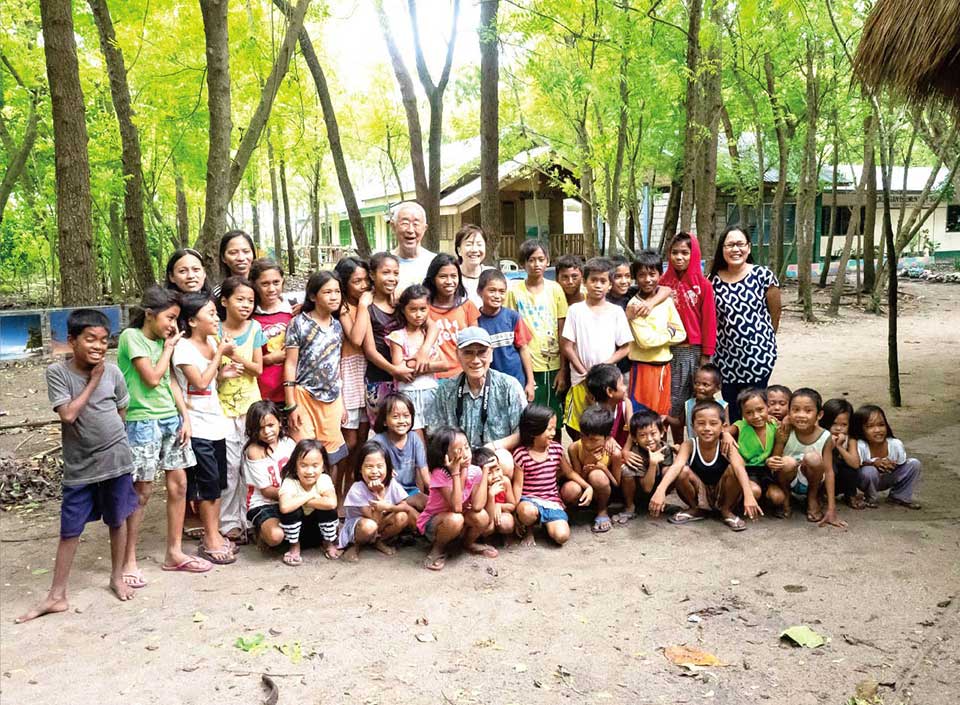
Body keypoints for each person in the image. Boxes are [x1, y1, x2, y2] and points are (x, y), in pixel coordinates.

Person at [16, 310, 140, 623]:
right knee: (70, 529)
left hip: (116, 461)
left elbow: (121, 410)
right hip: (81, 467)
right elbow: (68, 415)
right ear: (72, 341)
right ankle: (57, 595)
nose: (98, 346)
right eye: (89, 339)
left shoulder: (113, 372)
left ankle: (117, 576)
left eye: (103, 340)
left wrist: (113, 443)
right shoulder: (58, 373)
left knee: (118, 519)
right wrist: (92, 381)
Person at [118, 287, 209, 575]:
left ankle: (174, 551)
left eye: (176, 319)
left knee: (179, 485)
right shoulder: (132, 338)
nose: (173, 325)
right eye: (170, 318)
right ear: (149, 313)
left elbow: (170, 382)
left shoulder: (162, 341)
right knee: (142, 490)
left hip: (170, 419)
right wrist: (168, 348)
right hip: (141, 421)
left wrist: (185, 416)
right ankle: (128, 559)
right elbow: (153, 378)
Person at [173, 293, 236, 565]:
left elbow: (210, 383)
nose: (215, 318)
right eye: (209, 313)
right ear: (191, 321)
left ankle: (215, 533)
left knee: (218, 481)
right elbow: (198, 383)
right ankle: (210, 539)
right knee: (207, 484)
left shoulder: (211, 341)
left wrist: (223, 373)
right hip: (195, 425)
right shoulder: (183, 348)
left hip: (215, 421)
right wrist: (220, 355)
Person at [424, 327, 526, 475]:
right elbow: (434, 433)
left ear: (491, 354)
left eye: (481, 352)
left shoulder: (509, 386)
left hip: (494, 458)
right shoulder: (446, 390)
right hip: (457, 461)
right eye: (468, 353)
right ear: (457, 355)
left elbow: (522, 431)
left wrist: (491, 447)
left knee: (504, 459)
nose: (475, 360)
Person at [650, 400, 761, 531]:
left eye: (713, 423)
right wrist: (660, 490)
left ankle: (726, 510)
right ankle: (695, 509)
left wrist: (748, 496)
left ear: (723, 427)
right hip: (700, 492)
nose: (707, 428)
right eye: (701, 423)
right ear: (692, 426)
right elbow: (676, 466)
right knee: (682, 471)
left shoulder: (727, 445)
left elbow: (739, 468)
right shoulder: (689, 444)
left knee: (733, 469)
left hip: (724, 491)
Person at [283, 271, 350, 489]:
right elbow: (290, 363)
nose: (334, 297)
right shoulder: (298, 324)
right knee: (306, 453)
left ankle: (329, 504)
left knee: (332, 456)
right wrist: (291, 404)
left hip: (331, 399)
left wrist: (342, 403)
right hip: (303, 396)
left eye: (337, 292)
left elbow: (336, 365)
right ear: (313, 296)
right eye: (327, 292)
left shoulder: (338, 326)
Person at [709, 225, 782, 422]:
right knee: (733, 409)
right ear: (722, 249)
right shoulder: (712, 281)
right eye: (730, 245)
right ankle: (736, 450)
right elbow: (711, 319)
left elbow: (775, 312)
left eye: (740, 244)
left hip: (758, 357)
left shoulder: (763, 275)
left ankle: (760, 449)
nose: (735, 249)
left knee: (755, 408)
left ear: (748, 248)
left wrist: (764, 340)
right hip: (726, 360)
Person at [217, 276, 266, 542]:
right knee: (229, 465)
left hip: (250, 407)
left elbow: (258, 368)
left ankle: (251, 518)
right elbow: (207, 371)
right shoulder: (214, 330)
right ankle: (228, 523)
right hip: (222, 407)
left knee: (250, 463)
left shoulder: (256, 327)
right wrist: (221, 373)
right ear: (224, 301)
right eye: (240, 299)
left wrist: (233, 355)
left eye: (250, 300)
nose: (246, 305)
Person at [561, 257, 632, 438]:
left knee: (606, 425)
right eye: (593, 280)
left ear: (610, 285)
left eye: (603, 281)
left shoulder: (616, 312)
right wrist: (584, 371)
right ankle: (580, 461)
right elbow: (567, 346)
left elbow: (625, 348)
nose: (598, 285)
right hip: (581, 379)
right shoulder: (575, 311)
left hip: (606, 382)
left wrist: (603, 368)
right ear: (585, 282)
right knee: (577, 425)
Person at [506, 239, 568, 431]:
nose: (536, 264)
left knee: (553, 418)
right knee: (530, 418)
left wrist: (563, 369)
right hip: (526, 364)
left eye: (541, 259)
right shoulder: (514, 291)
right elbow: (512, 329)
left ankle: (554, 459)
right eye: (531, 260)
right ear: (523, 263)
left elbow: (562, 329)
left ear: (548, 261)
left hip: (553, 365)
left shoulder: (555, 289)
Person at [660, 233, 716, 444]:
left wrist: (706, 355)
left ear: (694, 255)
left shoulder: (703, 285)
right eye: (675, 253)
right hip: (667, 351)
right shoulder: (663, 284)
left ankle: (695, 446)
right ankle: (673, 446)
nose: (679, 257)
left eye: (685, 253)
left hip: (693, 351)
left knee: (694, 400)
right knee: (671, 402)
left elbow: (709, 321)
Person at [418, 426, 498, 571]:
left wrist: (485, 472)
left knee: (482, 516)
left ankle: (468, 543)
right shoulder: (440, 473)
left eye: (467, 448)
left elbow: (478, 506)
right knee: (456, 518)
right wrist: (456, 472)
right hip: (436, 523)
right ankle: (438, 548)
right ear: (445, 457)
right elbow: (456, 507)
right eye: (458, 451)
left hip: (460, 518)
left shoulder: (475, 471)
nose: (466, 454)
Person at [766, 388, 845, 527]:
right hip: (787, 478)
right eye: (795, 410)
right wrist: (772, 460)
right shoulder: (785, 431)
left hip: (812, 479)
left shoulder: (825, 436)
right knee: (787, 462)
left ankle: (812, 498)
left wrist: (831, 509)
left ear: (819, 415)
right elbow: (776, 460)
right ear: (789, 412)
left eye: (808, 411)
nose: (801, 415)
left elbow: (828, 471)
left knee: (813, 458)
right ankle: (786, 497)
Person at [625, 249, 686, 415]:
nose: (647, 279)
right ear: (635, 278)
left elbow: (681, 333)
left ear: (660, 274)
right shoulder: (634, 306)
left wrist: (666, 333)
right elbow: (646, 342)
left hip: (664, 367)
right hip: (643, 369)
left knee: (662, 416)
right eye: (642, 275)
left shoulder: (665, 301)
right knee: (641, 418)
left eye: (652, 274)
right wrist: (668, 332)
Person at [512, 405, 579, 547]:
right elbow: (518, 486)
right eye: (549, 429)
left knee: (562, 536)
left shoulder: (556, 449)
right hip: (529, 500)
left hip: (551, 500)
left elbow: (569, 473)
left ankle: (547, 523)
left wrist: (588, 487)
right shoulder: (521, 454)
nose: (553, 433)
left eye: (554, 428)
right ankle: (529, 530)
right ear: (534, 431)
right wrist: (515, 513)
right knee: (527, 511)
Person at [338, 441, 413, 562]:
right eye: (369, 466)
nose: (374, 471)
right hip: (360, 527)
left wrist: (388, 506)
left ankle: (379, 541)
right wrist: (379, 495)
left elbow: (406, 507)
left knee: (402, 517)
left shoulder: (391, 483)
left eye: (379, 466)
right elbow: (374, 521)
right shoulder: (357, 488)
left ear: (388, 468)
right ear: (360, 469)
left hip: (379, 523)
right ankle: (355, 545)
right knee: (369, 527)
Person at [388, 285, 444, 441]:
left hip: (431, 391)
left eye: (423, 309)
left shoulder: (428, 335)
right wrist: (426, 364)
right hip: (408, 393)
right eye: (413, 310)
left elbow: (445, 364)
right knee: (416, 438)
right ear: (403, 310)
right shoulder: (397, 336)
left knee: (434, 436)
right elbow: (399, 370)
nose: (418, 315)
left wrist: (415, 363)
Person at [334, 257, 372, 479]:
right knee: (349, 440)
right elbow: (356, 338)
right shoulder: (343, 306)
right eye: (357, 281)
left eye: (366, 280)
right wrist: (365, 306)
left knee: (362, 440)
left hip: (367, 373)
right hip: (349, 373)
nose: (363, 285)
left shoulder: (368, 301)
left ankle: (351, 488)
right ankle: (337, 488)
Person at [278, 439, 341, 564]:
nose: (309, 471)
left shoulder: (324, 479)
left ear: (323, 467)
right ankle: (294, 546)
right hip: (298, 532)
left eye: (315, 465)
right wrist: (311, 496)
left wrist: (302, 500)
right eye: (303, 465)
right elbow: (284, 507)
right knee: (291, 511)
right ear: (295, 467)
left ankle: (328, 543)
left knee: (328, 510)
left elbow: (332, 503)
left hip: (318, 530)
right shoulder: (290, 482)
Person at [477, 269, 535, 401]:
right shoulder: (476, 321)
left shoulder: (513, 317)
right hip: (490, 385)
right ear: (480, 292)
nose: (497, 296)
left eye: (502, 291)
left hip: (516, 381)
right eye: (492, 291)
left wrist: (530, 382)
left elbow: (524, 349)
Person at [850, 404, 922, 510]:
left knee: (914, 464)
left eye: (881, 425)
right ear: (861, 430)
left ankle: (899, 496)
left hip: (887, 477)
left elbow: (901, 464)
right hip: (867, 479)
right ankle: (870, 498)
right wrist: (873, 463)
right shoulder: (860, 445)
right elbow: (856, 465)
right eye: (870, 426)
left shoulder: (895, 444)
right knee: (869, 471)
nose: (878, 430)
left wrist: (890, 465)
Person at [243, 400, 294, 548]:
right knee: (276, 536)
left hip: (288, 498)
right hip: (264, 503)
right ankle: (260, 532)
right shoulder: (254, 451)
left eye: (270, 425)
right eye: (260, 428)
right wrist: (296, 494)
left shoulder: (288, 443)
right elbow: (266, 491)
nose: (266, 432)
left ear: (279, 422)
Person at [565, 405, 623, 533]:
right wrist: (586, 470)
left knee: (597, 476)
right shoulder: (574, 448)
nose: (587, 443)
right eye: (583, 436)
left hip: (606, 492)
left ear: (607, 437)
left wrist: (604, 469)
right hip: (584, 488)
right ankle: (573, 511)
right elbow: (577, 476)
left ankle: (602, 510)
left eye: (593, 439)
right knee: (571, 489)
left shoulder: (614, 453)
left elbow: (617, 484)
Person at [424, 253, 480, 379]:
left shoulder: (467, 306)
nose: (449, 281)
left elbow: (475, 344)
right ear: (433, 279)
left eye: (453, 276)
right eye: (443, 276)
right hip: (432, 376)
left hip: (462, 375)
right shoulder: (423, 308)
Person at [373, 392, 430, 512]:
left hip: (410, 492)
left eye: (406, 416)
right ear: (384, 421)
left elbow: (425, 475)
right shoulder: (378, 442)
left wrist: (441, 494)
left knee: (430, 503)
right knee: (404, 514)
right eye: (395, 416)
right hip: (387, 492)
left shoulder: (414, 439)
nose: (402, 421)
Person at [617, 409, 675, 524]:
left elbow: (667, 478)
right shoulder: (636, 453)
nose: (649, 439)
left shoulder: (665, 449)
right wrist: (653, 464)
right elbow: (646, 488)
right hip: (639, 491)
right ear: (634, 439)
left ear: (662, 432)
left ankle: (660, 501)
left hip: (656, 488)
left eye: (653, 433)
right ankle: (630, 507)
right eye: (642, 435)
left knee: (670, 471)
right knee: (626, 471)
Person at [250, 258, 294, 404]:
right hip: (260, 394)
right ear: (255, 285)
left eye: (276, 282)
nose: (271, 289)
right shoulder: (249, 316)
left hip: (292, 391)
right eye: (264, 284)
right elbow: (240, 356)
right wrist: (268, 359)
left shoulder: (293, 311)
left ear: (283, 281)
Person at [730, 388, 777, 503]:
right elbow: (722, 431)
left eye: (760, 410)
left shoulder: (773, 424)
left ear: (768, 407)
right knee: (754, 491)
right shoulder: (740, 426)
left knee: (778, 497)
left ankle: (763, 499)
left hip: (767, 470)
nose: (756, 416)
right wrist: (726, 435)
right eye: (749, 412)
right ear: (742, 414)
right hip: (747, 470)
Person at [820, 398, 866, 509]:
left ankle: (850, 495)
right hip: (824, 476)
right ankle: (819, 495)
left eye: (844, 424)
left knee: (850, 470)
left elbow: (855, 463)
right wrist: (830, 444)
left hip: (841, 478)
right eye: (834, 423)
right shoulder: (820, 435)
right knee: (830, 467)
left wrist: (840, 447)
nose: (838, 428)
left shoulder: (850, 440)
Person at [585, 363, 637, 448]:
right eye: (622, 384)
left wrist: (626, 450)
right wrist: (608, 437)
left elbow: (632, 431)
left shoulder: (626, 404)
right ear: (609, 391)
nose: (625, 387)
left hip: (622, 449)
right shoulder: (594, 410)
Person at [473, 446, 516, 542]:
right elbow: (485, 513)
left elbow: (512, 505)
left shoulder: (505, 482)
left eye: (497, 469)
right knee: (489, 528)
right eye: (489, 473)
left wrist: (499, 506)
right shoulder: (480, 487)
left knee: (507, 524)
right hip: (488, 518)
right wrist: (491, 496)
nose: (496, 476)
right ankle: (487, 539)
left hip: (502, 515)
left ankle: (504, 535)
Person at [391, 201, 437, 293]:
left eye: (416, 224)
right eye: (405, 223)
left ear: (425, 228)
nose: (410, 230)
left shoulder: (435, 263)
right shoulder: (382, 264)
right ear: (393, 226)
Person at [684, 364, 729, 439]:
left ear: (717, 387)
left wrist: (727, 436)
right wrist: (667, 417)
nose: (699, 387)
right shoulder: (689, 404)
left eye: (705, 385)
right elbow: (678, 423)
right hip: (694, 447)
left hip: (715, 447)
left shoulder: (722, 405)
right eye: (697, 383)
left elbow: (726, 427)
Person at [455, 224, 494, 306]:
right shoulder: (452, 277)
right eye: (469, 244)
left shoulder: (493, 275)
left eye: (479, 244)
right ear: (459, 250)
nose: (474, 250)